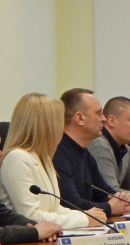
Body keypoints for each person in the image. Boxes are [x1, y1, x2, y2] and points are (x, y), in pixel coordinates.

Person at [0, 93, 106, 229]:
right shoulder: (17, 158)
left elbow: (55, 209)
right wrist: (84, 219)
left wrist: (86, 215)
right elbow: (31, 216)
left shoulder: (44, 158)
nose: (62, 128)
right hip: (26, 239)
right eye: (59, 122)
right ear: (46, 125)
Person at [53, 88, 130, 217]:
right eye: (98, 113)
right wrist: (109, 208)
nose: (104, 119)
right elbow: (70, 203)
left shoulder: (85, 153)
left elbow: (104, 192)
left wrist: (123, 200)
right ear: (80, 118)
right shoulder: (58, 153)